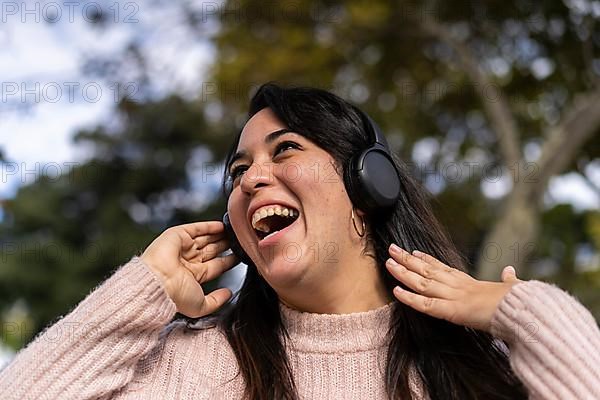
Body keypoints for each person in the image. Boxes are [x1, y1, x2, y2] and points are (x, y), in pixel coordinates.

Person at [1, 83, 599, 400]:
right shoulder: (188, 367)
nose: (251, 178)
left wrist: (520, 312)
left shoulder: (478, 369)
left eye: (285, 149)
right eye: (238, 173)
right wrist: (143, 292)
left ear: (371, 185)